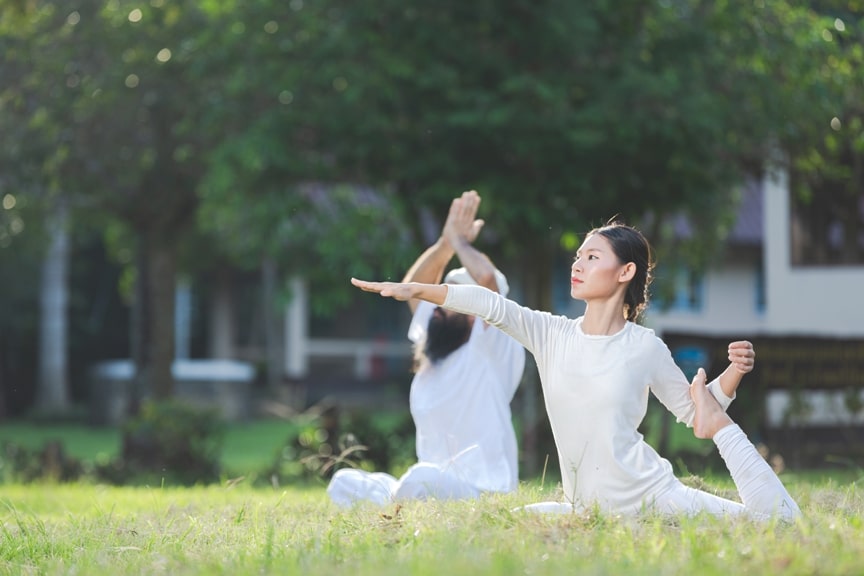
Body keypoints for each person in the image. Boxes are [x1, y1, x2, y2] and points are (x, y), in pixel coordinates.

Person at [350, 219, 801, 521]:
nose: (578, 263)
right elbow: (490, 304)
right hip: (584, 508)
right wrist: (415, 289)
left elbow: (697, 414)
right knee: (508, 524)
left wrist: (731, 377)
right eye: (578, 255)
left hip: (656, 498)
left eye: (592, 257)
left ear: (625, 272)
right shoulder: (551, 334)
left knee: (775, 522)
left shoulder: (644, 347)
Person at [327, 190, 526, 507]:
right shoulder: (435, 345)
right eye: (440, 297)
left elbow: (487, 278)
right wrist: (445, 244)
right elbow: (413, 290)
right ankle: (401, 504)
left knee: (420, 479)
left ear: (476, 313)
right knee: (343, 483)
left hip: (484, 490)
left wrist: (461, 244)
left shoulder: (489, 345)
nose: (438, 304)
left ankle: (400, 506)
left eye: (450, 299)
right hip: (432, 485)